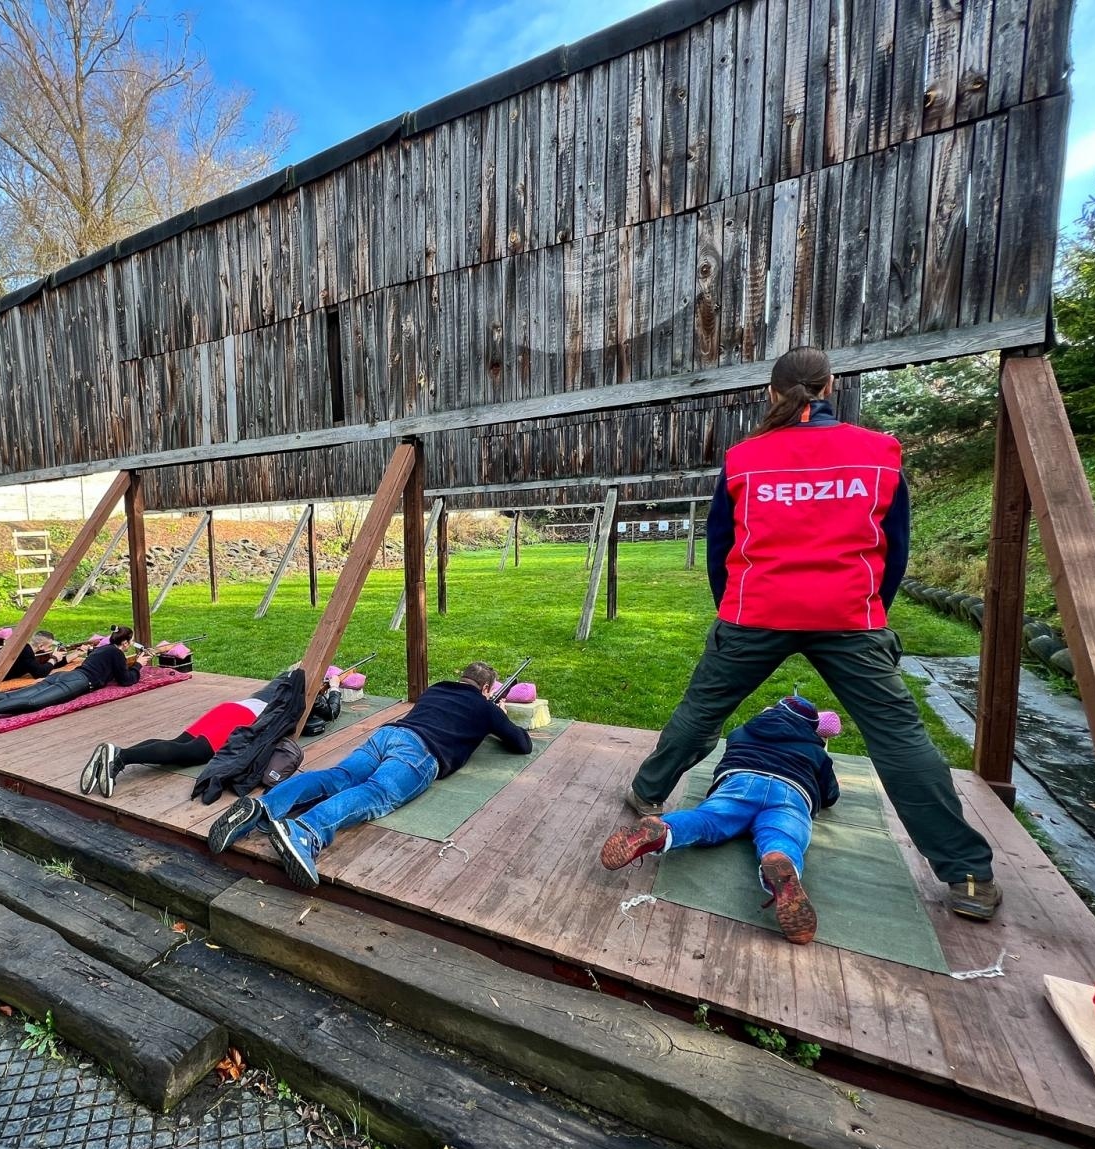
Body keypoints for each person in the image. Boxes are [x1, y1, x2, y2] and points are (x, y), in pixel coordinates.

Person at [625, 346, 1002, 920]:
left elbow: (720, 545)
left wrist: (730, 611)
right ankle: (968, 876)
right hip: (849, 615)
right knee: (899, 739)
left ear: (771, 393)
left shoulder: (745, 458)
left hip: (756, 610)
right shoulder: (878, 453)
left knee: (702, 710)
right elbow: (894, 547)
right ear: (832, 386)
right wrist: (874, 608)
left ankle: (647, 792)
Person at [209, 661, 532, 889]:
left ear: (461, 679)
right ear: (487, 688)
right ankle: (307, 831)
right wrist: (499, 713)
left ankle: (264, 808)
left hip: (386, 736)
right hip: (420, 751)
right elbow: (521, 744)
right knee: (376, 793)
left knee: (337, 776)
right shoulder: (486, 706)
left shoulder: (435, 689)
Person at [603, 696, 843, 945]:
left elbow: (727, 761)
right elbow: (830, 795)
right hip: (791, 792)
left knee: (708, 819)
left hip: (740, 782)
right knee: (784, 834)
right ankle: (782, 860)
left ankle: (664, 830)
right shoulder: (816, 751)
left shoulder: (743, 732)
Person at [79, 676, 283, 799]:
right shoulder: (300, 688)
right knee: (195, 753)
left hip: (231, 707)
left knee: (176, 743)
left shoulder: (283, 679)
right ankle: (120, 756)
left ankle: (113, 760)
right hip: (245, 717)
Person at [0, 625, 146, 736]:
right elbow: (126, 680)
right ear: (125, 643)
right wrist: (139, 665)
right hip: (79, 682)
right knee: (35, 702)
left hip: (66, 676)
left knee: (15, 694)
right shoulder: (117, 653)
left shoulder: (103, 650)